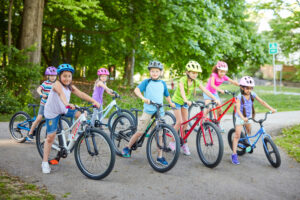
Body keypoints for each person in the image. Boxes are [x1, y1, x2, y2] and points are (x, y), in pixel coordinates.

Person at [41, 64, 100, 174]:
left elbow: (81, 94)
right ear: (59, 76)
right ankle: (44, 162)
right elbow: (61, 94)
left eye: (69, 76)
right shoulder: (57, 84)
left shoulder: (70, 86)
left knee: (82, 114)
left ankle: (72, 136)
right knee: (50, 137)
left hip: (64, 109)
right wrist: (67, 103)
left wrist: (93, 101)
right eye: (64, 76)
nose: (67, 78)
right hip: (52, 112)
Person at [121, 60, 176, 166]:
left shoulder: (162, 83)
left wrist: (171, 103)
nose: (154, 73)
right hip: (148, 111)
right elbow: (137, 90)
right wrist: (143, 98)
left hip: (159, 111)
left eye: (156, 71)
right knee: (140, 132)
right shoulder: (146, 82)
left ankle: (160, 157)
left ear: (160, 72)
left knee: (159, 135)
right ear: (150, 72)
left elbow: (167, 95)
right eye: (152, 71)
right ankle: (128, 147)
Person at [169, 61, 220, 155]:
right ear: (187, 72)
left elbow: (205, 90)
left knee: (185, 124)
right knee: (179, 122)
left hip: (185, 103)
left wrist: (214, 98)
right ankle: (172, 142)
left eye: (196, 73)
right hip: (177, 102)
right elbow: (182, 91)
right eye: (193, 72)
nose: (195, 75)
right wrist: (185, 100)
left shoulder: (196, 82)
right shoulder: (182, 80)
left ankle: (184, 144)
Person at [232, 76, 276, 165]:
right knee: (237, 135)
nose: (249, 90)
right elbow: (237, 109)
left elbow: (262, 102)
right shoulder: (239, 97)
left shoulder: (253, 95)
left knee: (249, 131)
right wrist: (243, 118)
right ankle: (234, 154)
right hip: (241, 117)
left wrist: (271, 109)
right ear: (241, 87)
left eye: (251, 88)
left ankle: (247, 142)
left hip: (248, 117)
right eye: (247, 88)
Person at [204, 61, 239, 131]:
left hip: (214, 93)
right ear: (217, 70)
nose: (222, 73)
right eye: (221, 71)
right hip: (207, 92)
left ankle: (217, 124)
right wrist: (220, 90)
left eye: (224, 72)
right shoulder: (214, 75)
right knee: (208, 107)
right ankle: (203, 121)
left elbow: (233, 82)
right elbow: (212, 85)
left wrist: (242, 86)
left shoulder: (224, 77)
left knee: (220, 109)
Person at [27, 66, 57, 141]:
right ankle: (30, 133)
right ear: (48, 76)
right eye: (51, 76)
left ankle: (47, 138)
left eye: (54, 75)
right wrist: (41, 94)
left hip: (51, 105)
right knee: (39, 118)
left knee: (49, 121)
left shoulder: (57, 84)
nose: (53, 77)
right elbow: (38, 89)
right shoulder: (45, 83)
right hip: (44, 104)